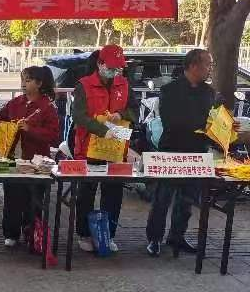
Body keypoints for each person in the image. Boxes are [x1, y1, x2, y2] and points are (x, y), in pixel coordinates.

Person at [145, 49, 214, 256]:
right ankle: (154, 238)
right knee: (162, 199)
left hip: (197, 153)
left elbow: (213, 120)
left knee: (187, 200)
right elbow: (171, 122)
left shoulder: (209, 92)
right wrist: (201, 126)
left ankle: (177, 236)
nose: (210, 69)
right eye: (207, 64)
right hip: (171, 151)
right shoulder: (169, 90)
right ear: (193, 66)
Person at [72, 44, 138, 252]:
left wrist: (121, 115)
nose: (115, 71)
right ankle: (84, 234)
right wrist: (101, 130)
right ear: (100, 64)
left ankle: (108, 235)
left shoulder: (124, 84)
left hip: (116, 147)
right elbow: (78, 116)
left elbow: (135, 110)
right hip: (89, 147)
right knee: (86, 193)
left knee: (113, 193)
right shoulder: (84, 85)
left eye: (118, 68)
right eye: (111, 67)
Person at [0, 66, 60, 247]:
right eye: (22, 80)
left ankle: (32, 233)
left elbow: (54, 136)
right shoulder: (15, 103)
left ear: (39, 83)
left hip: (37, 163)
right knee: (12, 198)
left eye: (28, 80)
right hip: (13, 160)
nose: (23, 84)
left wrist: (30, 129)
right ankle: (11, 233)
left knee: (34, 201)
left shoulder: (47, 107)